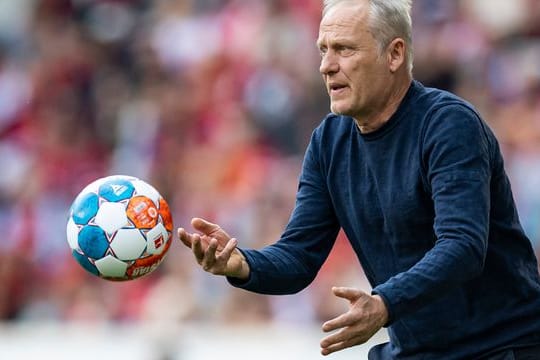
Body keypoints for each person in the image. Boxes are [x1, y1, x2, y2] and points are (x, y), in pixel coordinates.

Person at [178, 0, 540, 358]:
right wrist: (242, 263)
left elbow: (463, 246)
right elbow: (300, 256)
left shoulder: (448, 125)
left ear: (394, 54)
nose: (326, 66)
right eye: (323, 50)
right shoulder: (329, 141)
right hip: (416, 351)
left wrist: (385, 303)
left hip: (499, 345)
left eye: (344, 49)